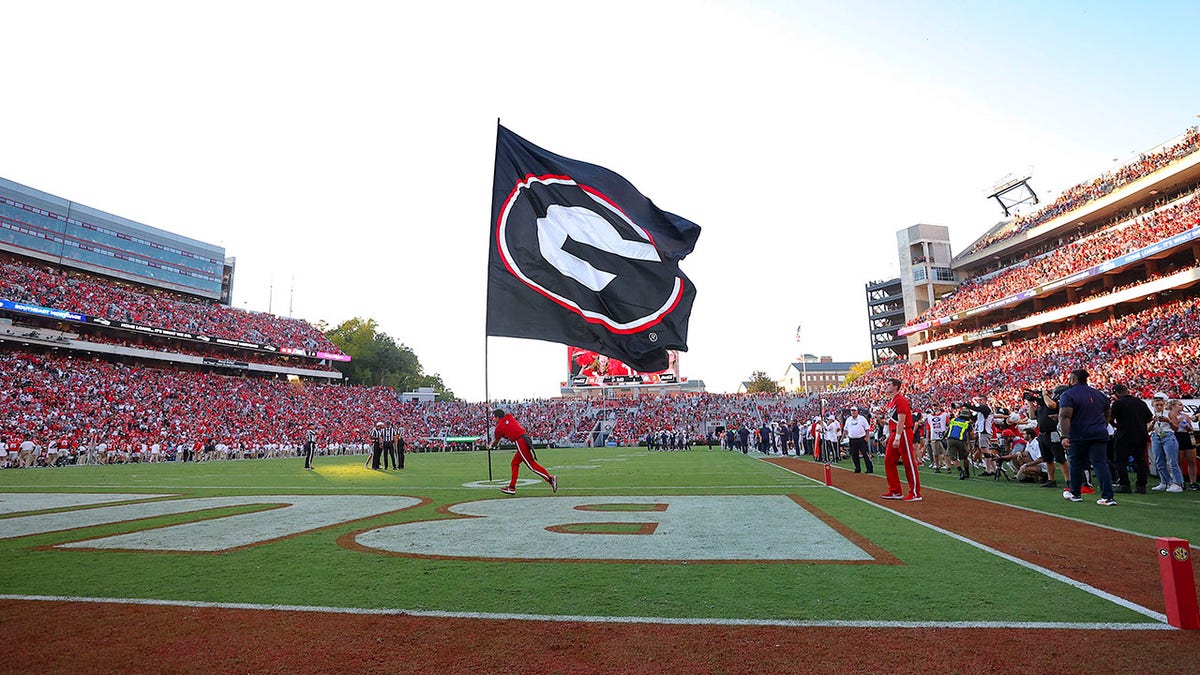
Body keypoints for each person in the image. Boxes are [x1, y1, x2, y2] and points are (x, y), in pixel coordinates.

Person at [1057, 368, 1116, 505]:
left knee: (1076, 463)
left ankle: (1075, 493)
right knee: (1100, 463)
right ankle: (1108, 497)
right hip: (1099, 433)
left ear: (1073, 379)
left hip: (1078, 434)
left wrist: (1064, 436)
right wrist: (1100, 426)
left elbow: (1065, 416)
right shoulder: (1099, 394)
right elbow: (1107, 413)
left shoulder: (1068, 394)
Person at [491, 408, 557, 495]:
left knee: (531, 465)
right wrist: (490, 407)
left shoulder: (499, 428)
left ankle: (550, 479)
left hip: (520, 441)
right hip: (525, 438)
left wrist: (489, 446)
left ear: (497, 417)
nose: (493, 419)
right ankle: (512, 487)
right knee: (514, 463)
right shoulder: (509, 416)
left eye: (494, 417)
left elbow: (496, 442)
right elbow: (501, 414)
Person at [881, 378, 922, 501]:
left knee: (908, 462)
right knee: (888, 461)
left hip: (903, 432)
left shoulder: (900, 400)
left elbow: (901, 420)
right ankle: (895, 491)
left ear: (895, 387)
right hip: (895, 432)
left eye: (889, 385)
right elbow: (892, 421)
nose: (886, 386)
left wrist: (897, 437)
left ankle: (915, 492)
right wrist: (889, 436)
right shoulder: (891, 401)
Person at [1108, 383, 1151, 494]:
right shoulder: (1140, 402)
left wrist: (1117, 426)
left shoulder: (1118, 403)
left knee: (1120, 461)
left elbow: (1110, 418)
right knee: (1140, 461)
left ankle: (1124, 485)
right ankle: (1141, 486)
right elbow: (1149, 417)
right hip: (1140, 435)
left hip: (1124, 435)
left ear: (1116, 393)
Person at [1147, 393, 1185, 493]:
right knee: (1159, 461)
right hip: (1156, 436)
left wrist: (1169, 421)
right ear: (1153, 405)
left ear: (1164, 404)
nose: (1159, 407)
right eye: (1157, 405)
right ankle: (1165, 482)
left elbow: (1176, 428)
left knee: (1172, 461)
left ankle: (1177, 483)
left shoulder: (1169, 413)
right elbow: (1148, 429)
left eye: (1161, 404)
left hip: (1168, 436)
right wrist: (1153, 422)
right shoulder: (1152, 414)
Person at [842, 406, 873, 474]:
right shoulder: (848, 419)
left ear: (857, 411)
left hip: (861, 438)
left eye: (854, 410)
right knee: (854, 455)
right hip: (852, 439)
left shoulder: (862, 418)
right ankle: (857, 468)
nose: (853, 412)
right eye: (852, 411)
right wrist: (843, 437)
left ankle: (869, 468)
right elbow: (845, 429)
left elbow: (867, 428)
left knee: (865, 454)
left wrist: (866, 437)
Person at [946, 406, 974, 479]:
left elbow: (948, 430)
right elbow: (972, 436)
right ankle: (967, 472)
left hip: (950, 440)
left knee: (954, 458)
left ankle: (961, 472)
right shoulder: (967, 423)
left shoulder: (953, 420)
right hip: (961, 441)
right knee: (964, 457)